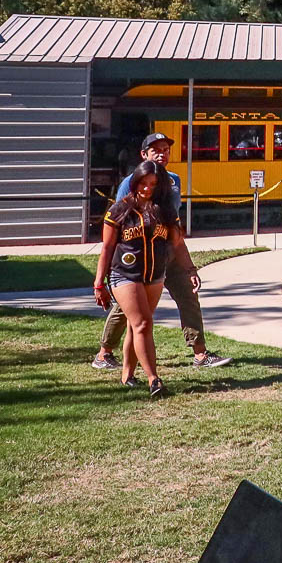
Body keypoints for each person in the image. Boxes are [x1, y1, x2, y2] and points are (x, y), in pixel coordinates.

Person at [93, 132, 229, 371]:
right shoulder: (131, 181)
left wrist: (188, 266)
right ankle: (104, 353)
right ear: (143, 155)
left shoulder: (173, 180)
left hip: (166, 249)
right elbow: (120, 218)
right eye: (155, 150)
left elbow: (173, 220)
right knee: (129, 308)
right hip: (138, 254)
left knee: (188, 295)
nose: (162, 153)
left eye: (165, 149)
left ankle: (200, 353)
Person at [93, 162, 195, 396]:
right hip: (124, 274)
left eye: (153, 184)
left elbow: (178, 244)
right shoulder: (119, 210)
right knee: (143, 324)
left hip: (155, 275)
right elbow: (107, 248)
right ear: (134, 182)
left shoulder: (165, 211)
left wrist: (191, 270)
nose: (147, 188)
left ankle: (127, 375)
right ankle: (154, 379)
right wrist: (99, 283)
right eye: (143, 183)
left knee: (135, 325)